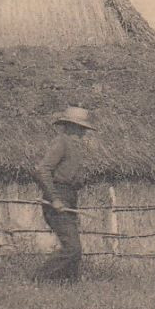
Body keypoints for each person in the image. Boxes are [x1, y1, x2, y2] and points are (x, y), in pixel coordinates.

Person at [34, 105, 94, 282]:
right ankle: (37, 279)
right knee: (72, 249)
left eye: (84, 128)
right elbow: (42, 170)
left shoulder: (75, 147)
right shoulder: (61, 142)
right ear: (70, 126)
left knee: (74, 249)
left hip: (69, 197)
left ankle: (70, 286)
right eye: (80, 128)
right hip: (58, 198)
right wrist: (54, 198)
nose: (83, 133)